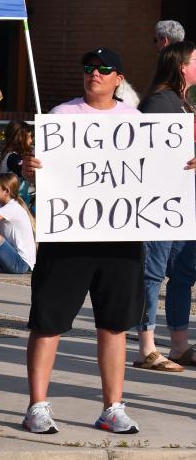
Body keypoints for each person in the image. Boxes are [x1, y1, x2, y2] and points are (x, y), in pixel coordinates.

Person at [21, 47, 152, 435]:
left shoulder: (135, 119)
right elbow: (42, 181)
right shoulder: (63, 116)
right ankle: (37, 407)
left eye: (104, 68)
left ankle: (113, 407)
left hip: (121, 239)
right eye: (89, 68)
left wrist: (181, 164)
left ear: (118, 78)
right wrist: (31, 169)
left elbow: (151, 173)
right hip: (69, 238)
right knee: (49, 322)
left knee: (114, 326)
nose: (95, 73)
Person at [130, 40, 196, 373]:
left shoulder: (181, 103)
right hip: (159, 204)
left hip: (182, 203)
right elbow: (146, 155)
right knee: (153, 273)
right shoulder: (159, 103)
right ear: (181, 65)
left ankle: (180, 344)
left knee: (184, 273)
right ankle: (147, 347)